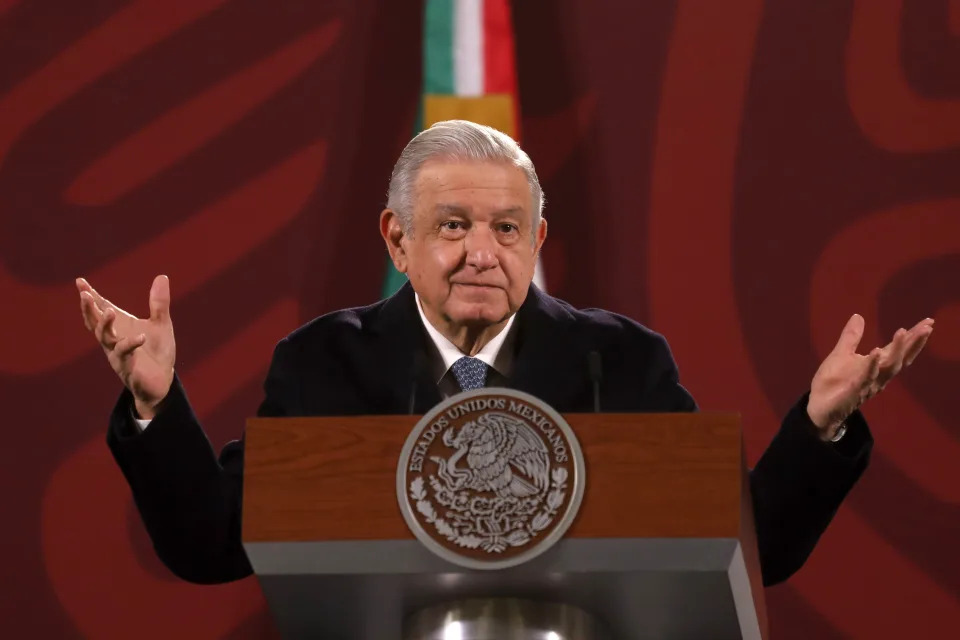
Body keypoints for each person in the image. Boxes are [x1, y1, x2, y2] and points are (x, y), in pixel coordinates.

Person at [76, 120, 934, 587]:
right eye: (453, 226)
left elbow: (746, 546)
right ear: (398, 239)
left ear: (538, 242)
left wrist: (819, 428)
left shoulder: (620, 361)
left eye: (507, 229)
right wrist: (156, 406)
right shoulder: (326, 363)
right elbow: (212, 544)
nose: (482, 253)